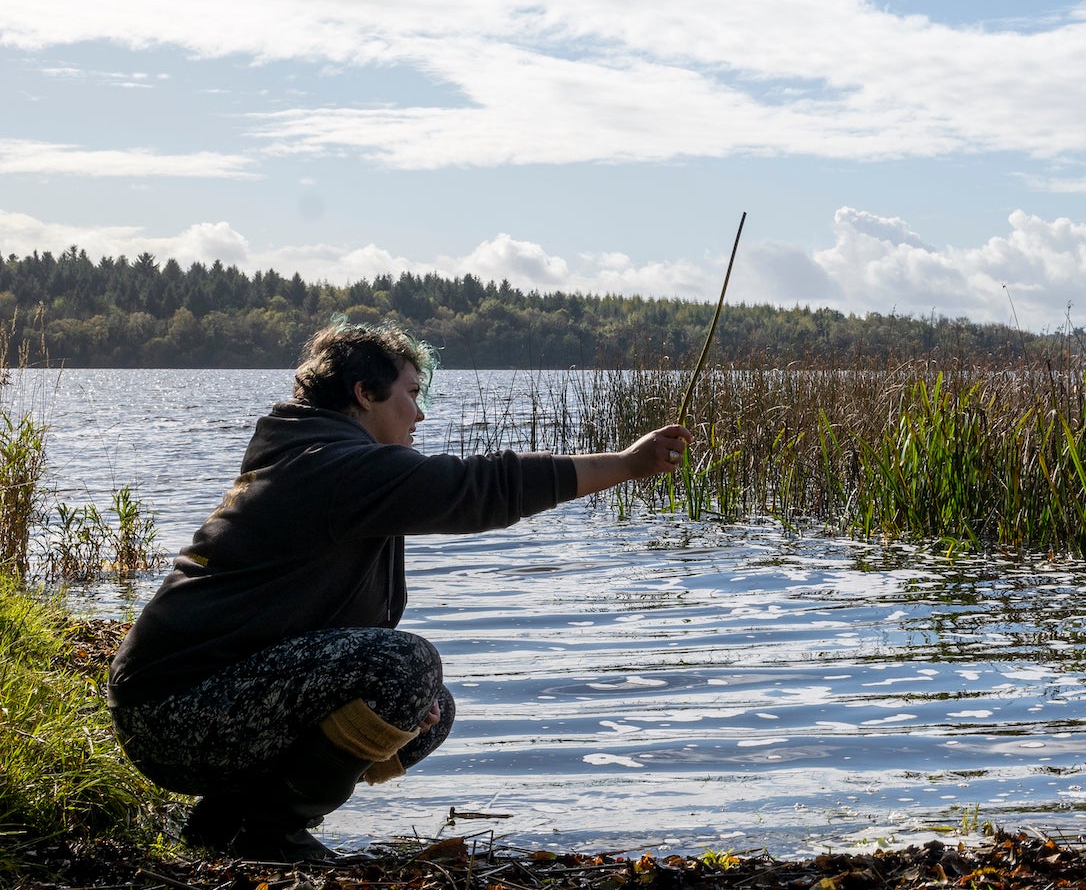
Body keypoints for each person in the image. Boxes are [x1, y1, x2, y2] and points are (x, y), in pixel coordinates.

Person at [108, 322, 693, 861]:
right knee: (407, 667)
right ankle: (264, 832)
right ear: (365, 394)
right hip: (172, 715)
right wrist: (626, 464)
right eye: (411, 394)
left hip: (200, 706)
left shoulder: (319, 456)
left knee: (429, 710)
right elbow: (481, 488)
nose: (418, 414)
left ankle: (227, 823)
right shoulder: (335, 467)